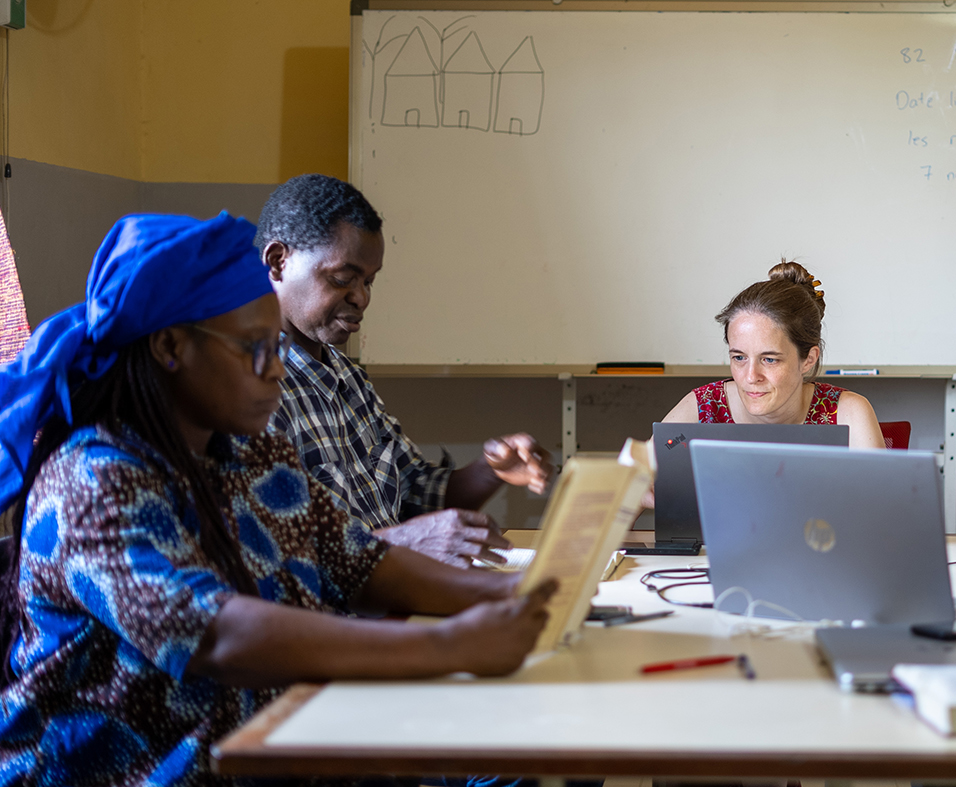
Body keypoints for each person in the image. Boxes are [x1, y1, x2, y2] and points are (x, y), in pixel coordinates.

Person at [0, 213, 557, 785]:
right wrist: (447, 645)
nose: (274, 373)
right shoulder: (96, 480)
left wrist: (523, 593)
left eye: (274, 348)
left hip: (273, 743)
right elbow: (217, 636)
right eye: (253, 350)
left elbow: (361, 563)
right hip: (142, 772)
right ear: (170, 346)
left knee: (518, 752)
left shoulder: (253, 455)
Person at [256, 174, 553, 569]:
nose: (361, 297)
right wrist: (402, 545)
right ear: (279, 262)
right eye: (343, 279)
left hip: (400, 598)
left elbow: (416, 493)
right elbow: (268, 557)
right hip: (338, 623)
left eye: (369, 281)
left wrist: (491, 471)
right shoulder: (251, 389)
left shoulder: (349, 379)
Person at [660, 261, 884, 449]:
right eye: (739, 358)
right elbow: (640, 473)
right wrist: (641, 486)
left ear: (809, 359)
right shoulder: (703, 406)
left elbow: (882, 501)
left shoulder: (847, 414)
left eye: (769, 359)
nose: (751, 376)